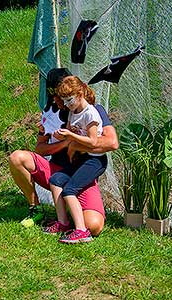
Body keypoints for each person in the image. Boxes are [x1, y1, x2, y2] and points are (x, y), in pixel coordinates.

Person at [8, 68, 118, 237]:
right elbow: (40, 149)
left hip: (81, 174)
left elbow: (111, 142)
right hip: (57, 170)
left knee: (93, 226)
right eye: (53, 94)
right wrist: (65, 143)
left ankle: (70, 208)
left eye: (60, 96)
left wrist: (76, 144)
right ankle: (35, 209)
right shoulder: (51, 113)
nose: (56, 100)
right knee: (17, 157)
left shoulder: (92, 111)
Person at [49, 75, 108, 244]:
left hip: (94, 160)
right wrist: (63, 133)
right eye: (64, 101)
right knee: (56, 180)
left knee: (69, 190)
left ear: (80, 94)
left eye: (69, 100)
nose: (66, 104)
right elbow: (70, 130)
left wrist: (71, 135)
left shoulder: (91, 114)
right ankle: (63, 223)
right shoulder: (73, 111)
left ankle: (82, 231)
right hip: (80, 158)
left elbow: (93, 142)